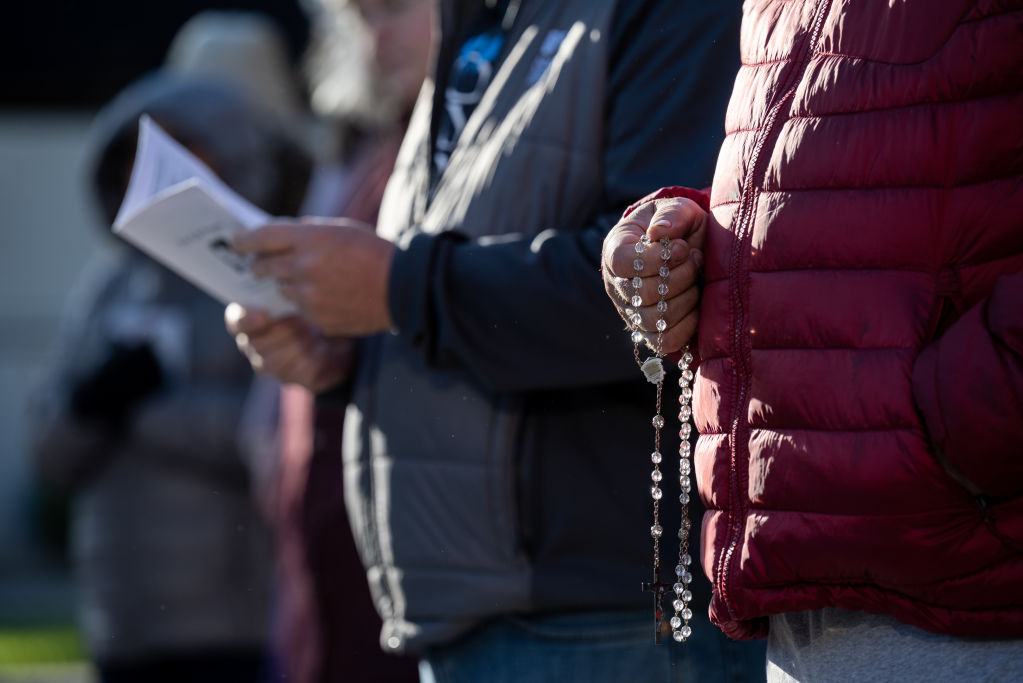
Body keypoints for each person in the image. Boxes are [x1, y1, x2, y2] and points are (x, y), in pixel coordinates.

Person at [226, 0, 768, 680]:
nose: (372, 30)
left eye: (386, 9)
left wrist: (397, 289)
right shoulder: (481, 22)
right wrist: (349, 354)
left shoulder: (663, 15)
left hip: (607, 619)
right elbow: (452, 278)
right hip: (486, 616)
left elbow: (666, 295)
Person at [601, 1, 1023, 681]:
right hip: (815, 593)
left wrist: (975, 410)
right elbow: (850, 189)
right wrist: (683, 252)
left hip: (965, 575)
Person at [30, 73, 311, 683]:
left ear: (232, 162)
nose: (151, 179)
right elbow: (48, 452)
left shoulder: (255, 285)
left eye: (182, 156)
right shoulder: (106, 289)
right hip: (119, 623)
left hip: (228, 625)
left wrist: (144, 411)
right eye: (135, 159)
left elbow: (271, 436)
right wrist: (90, 407)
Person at [237, 0, 432, 681]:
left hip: (411, 562)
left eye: (397, 9)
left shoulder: (449, 158)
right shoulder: (372, 159)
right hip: (329, 546)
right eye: (362, 17)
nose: (378, 39)